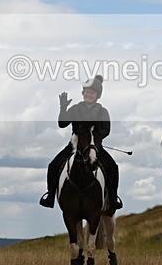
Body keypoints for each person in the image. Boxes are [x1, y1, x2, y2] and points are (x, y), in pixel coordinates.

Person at [39, 75, 123, 212]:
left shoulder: (102, 111)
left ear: (98, 95)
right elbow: (62, 124)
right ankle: (50, 196)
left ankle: (113, 198)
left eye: (93, 92)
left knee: (112, 166)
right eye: (87, 92)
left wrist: (94, 139)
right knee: (53, 165)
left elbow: (106, 130)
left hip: (95, 146)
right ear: (83, 93)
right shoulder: (75, 109)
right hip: (75, 145)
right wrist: (63, 108)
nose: (89, 94)